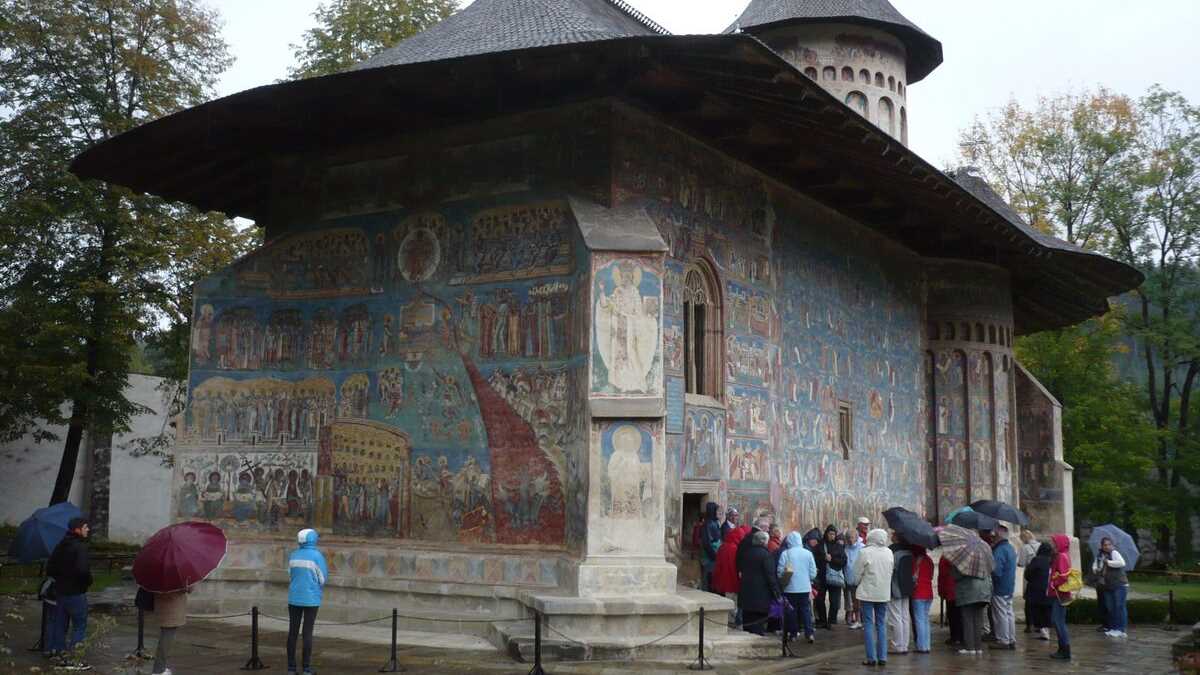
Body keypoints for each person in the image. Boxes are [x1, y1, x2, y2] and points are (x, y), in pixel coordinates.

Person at [46, 517, 92, 671]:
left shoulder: (61, 545)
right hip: (75, 592)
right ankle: (74, 659)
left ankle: (60, 655)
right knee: (80, 625)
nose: (88, 529)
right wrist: (87, 582)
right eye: (85, 527)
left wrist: (61, 579)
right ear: (77, 529)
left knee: (60, 624)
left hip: (61, 592)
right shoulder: (80, 547)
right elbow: (83, 571)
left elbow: (50, 568)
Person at [288, 528, 328, 675]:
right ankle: (306, 668)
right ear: (313, 539)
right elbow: (323, 578)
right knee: (307, 633)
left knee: (292, 633)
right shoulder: (317, 556)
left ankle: (291, 668)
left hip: (294, 598)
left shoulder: (293, 555)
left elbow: (290, 574)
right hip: (311, 599)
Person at [853, 528, 893, 667]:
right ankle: (883, 657)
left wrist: (857, 582)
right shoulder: (889, 552)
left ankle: (871, 658)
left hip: (867, 593)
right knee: (881, 624)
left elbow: (856, 574)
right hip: (883, 593)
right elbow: (890, 571)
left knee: (869, 624)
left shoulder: (864, 552)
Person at [738, 530, 782, 635]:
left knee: (748, 623)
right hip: (761, 595)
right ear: (764, 542)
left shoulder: (746, 553)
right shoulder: (766, 555)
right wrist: (777, 593)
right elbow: (770, 576)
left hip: (746, 593)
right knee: (757, 625)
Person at [777, 531, 818, 643]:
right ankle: (809, 633)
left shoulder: (785, 554)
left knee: (792, 611)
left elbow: (780, 572)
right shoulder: (808, 553)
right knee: (805, 610)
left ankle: (793, 634)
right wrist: (807, 578)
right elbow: (813, 573)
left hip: (790, 588)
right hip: (804, 587)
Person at [953, 556, 993, 656]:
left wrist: (954, 566)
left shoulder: (963, 561)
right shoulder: (984, 560)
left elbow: (956, 576)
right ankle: (978, 647)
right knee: (978, 621)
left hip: (968, 593)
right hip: (983, 593)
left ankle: (969, 647)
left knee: (968, 620)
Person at [713, 525, 750, 625]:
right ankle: (731, 620)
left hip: (722, 578)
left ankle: (728, 619)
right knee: (733, 602)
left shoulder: (723, 546)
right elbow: (735, 566)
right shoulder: (734, 549)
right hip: (732, 579)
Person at [152, 586, 192, 675]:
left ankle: (161, 667)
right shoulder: (178, 578)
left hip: (161, 607)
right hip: (173, 608)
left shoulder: (157, 578)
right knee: (166, 639)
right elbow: (189, 588)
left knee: (165, 636)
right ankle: (158, 670)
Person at [989, 524, 1017, 650]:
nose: (992, 537)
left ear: (999, 535)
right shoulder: (1010, 548)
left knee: (1000, 614)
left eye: (994, 534)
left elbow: (996, 570)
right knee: (1009, 613)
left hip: (1000, 586)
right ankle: (1011, 638)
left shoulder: (999, 550)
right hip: (1009, 585)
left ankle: (1003, 640)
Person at [1094, 536, 1129, 638]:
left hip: (1119, 584)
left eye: (1109, 544)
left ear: (1112, 545)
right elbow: (1095, 566)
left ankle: (1121, 630)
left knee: (1119, 607)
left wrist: (1108, 562)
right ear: (1101, 546)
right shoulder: (1100, 555)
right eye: (1105, 545)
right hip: (1108, 585)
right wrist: (1096, 569)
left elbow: (1121, 563)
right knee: (1111, 608)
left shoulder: (1114, 553)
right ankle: (1113, 628)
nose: (1107, 546)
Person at [887, 533, 914, 654]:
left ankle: (897, 645)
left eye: (893, 533)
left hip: (895, 587)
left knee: (896, 616)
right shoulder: (909, 551)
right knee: (905, 616)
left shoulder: (892, 551)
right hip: (906, 587)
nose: (891, 535)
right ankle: (904, 644)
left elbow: (889, 569)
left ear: (897, 537)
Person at [1048, 533, 1073, 659]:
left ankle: (1065, 649)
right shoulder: (1061, 555)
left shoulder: (1061, 556)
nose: (1052, 545)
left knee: (1058, 621)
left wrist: (1054, 583)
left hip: (1060, 593)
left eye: (1054, 542)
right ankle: (1062, 648)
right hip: (1059, 593)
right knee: (1058, 621)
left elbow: (1064, 576)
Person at [1024, 542, 1055, 642]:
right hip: (1049, 590)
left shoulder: (1037, 560)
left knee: (1038, 611)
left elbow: (1028, 574)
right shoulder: (1053, 560)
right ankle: (1046, 631)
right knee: (1047, 611)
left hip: (1037, 590)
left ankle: (1043, 631)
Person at [819, 526, 846, 627]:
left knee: (834, 601)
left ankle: (832, 621)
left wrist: (832, 560)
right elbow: (815, 559)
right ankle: (822, 621)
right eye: (830, 534)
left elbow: (844, 561)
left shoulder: (839, 547)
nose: (832, 536)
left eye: (833, 534)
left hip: (835, 577)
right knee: (820, 600)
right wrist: (823, 558)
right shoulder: (821, 545)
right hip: (822, 577)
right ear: (826, 534)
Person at [910, 546, 934, 654]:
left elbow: (912, 577)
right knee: (925, 620)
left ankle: (921, 646)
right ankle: (927, 645)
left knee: (919, 621)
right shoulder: (929, 560)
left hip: (918, 593)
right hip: (929, 592)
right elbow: (931, 576)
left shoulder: (914, 561)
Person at [804, 528, 828, 628]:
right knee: (811, 600)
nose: (814, 542)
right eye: (813, 540)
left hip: (817, 578)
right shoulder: (806, 549)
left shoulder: (816, 548)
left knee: (817, 599)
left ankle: (818, 619)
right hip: (810, 578)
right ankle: (812, 619)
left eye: (816, 540)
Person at [1018, 530, 1040, 633]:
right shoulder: (1040, 545)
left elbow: (1021, 563)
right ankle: (1039, 624)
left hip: (1029, 576)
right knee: (1039, 600)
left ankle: (1029, 625)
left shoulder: (1025, 547)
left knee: (1029, 601)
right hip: (1040, 575)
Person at [938, 555, 963, 647]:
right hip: (961, 590)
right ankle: (961, 636)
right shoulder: (962, 556)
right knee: (960, 615)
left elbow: (942, 576)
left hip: (950, 590)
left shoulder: (944, 558)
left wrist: (941, 591)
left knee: (952, 615)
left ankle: (955, 637)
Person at [699, 502, 722, 593]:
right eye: (717, 511)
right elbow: (706, 543)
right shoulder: (707, 524)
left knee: (713, 582)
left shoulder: (715, 522)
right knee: (707, 582)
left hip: (715, 556)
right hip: (709, 557)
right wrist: (715, 556)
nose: (719, 513)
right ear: (713, 511)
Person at [843, 529, 864, 630]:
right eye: (848, 538)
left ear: (856, 537)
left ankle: (859, 620)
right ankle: (853, 618)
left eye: (852, 537)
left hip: (859, 578)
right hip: (848, 578)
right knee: (851, 600)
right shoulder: (845, 548)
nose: (850, 540)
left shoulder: (862, 548)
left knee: (858, 601)